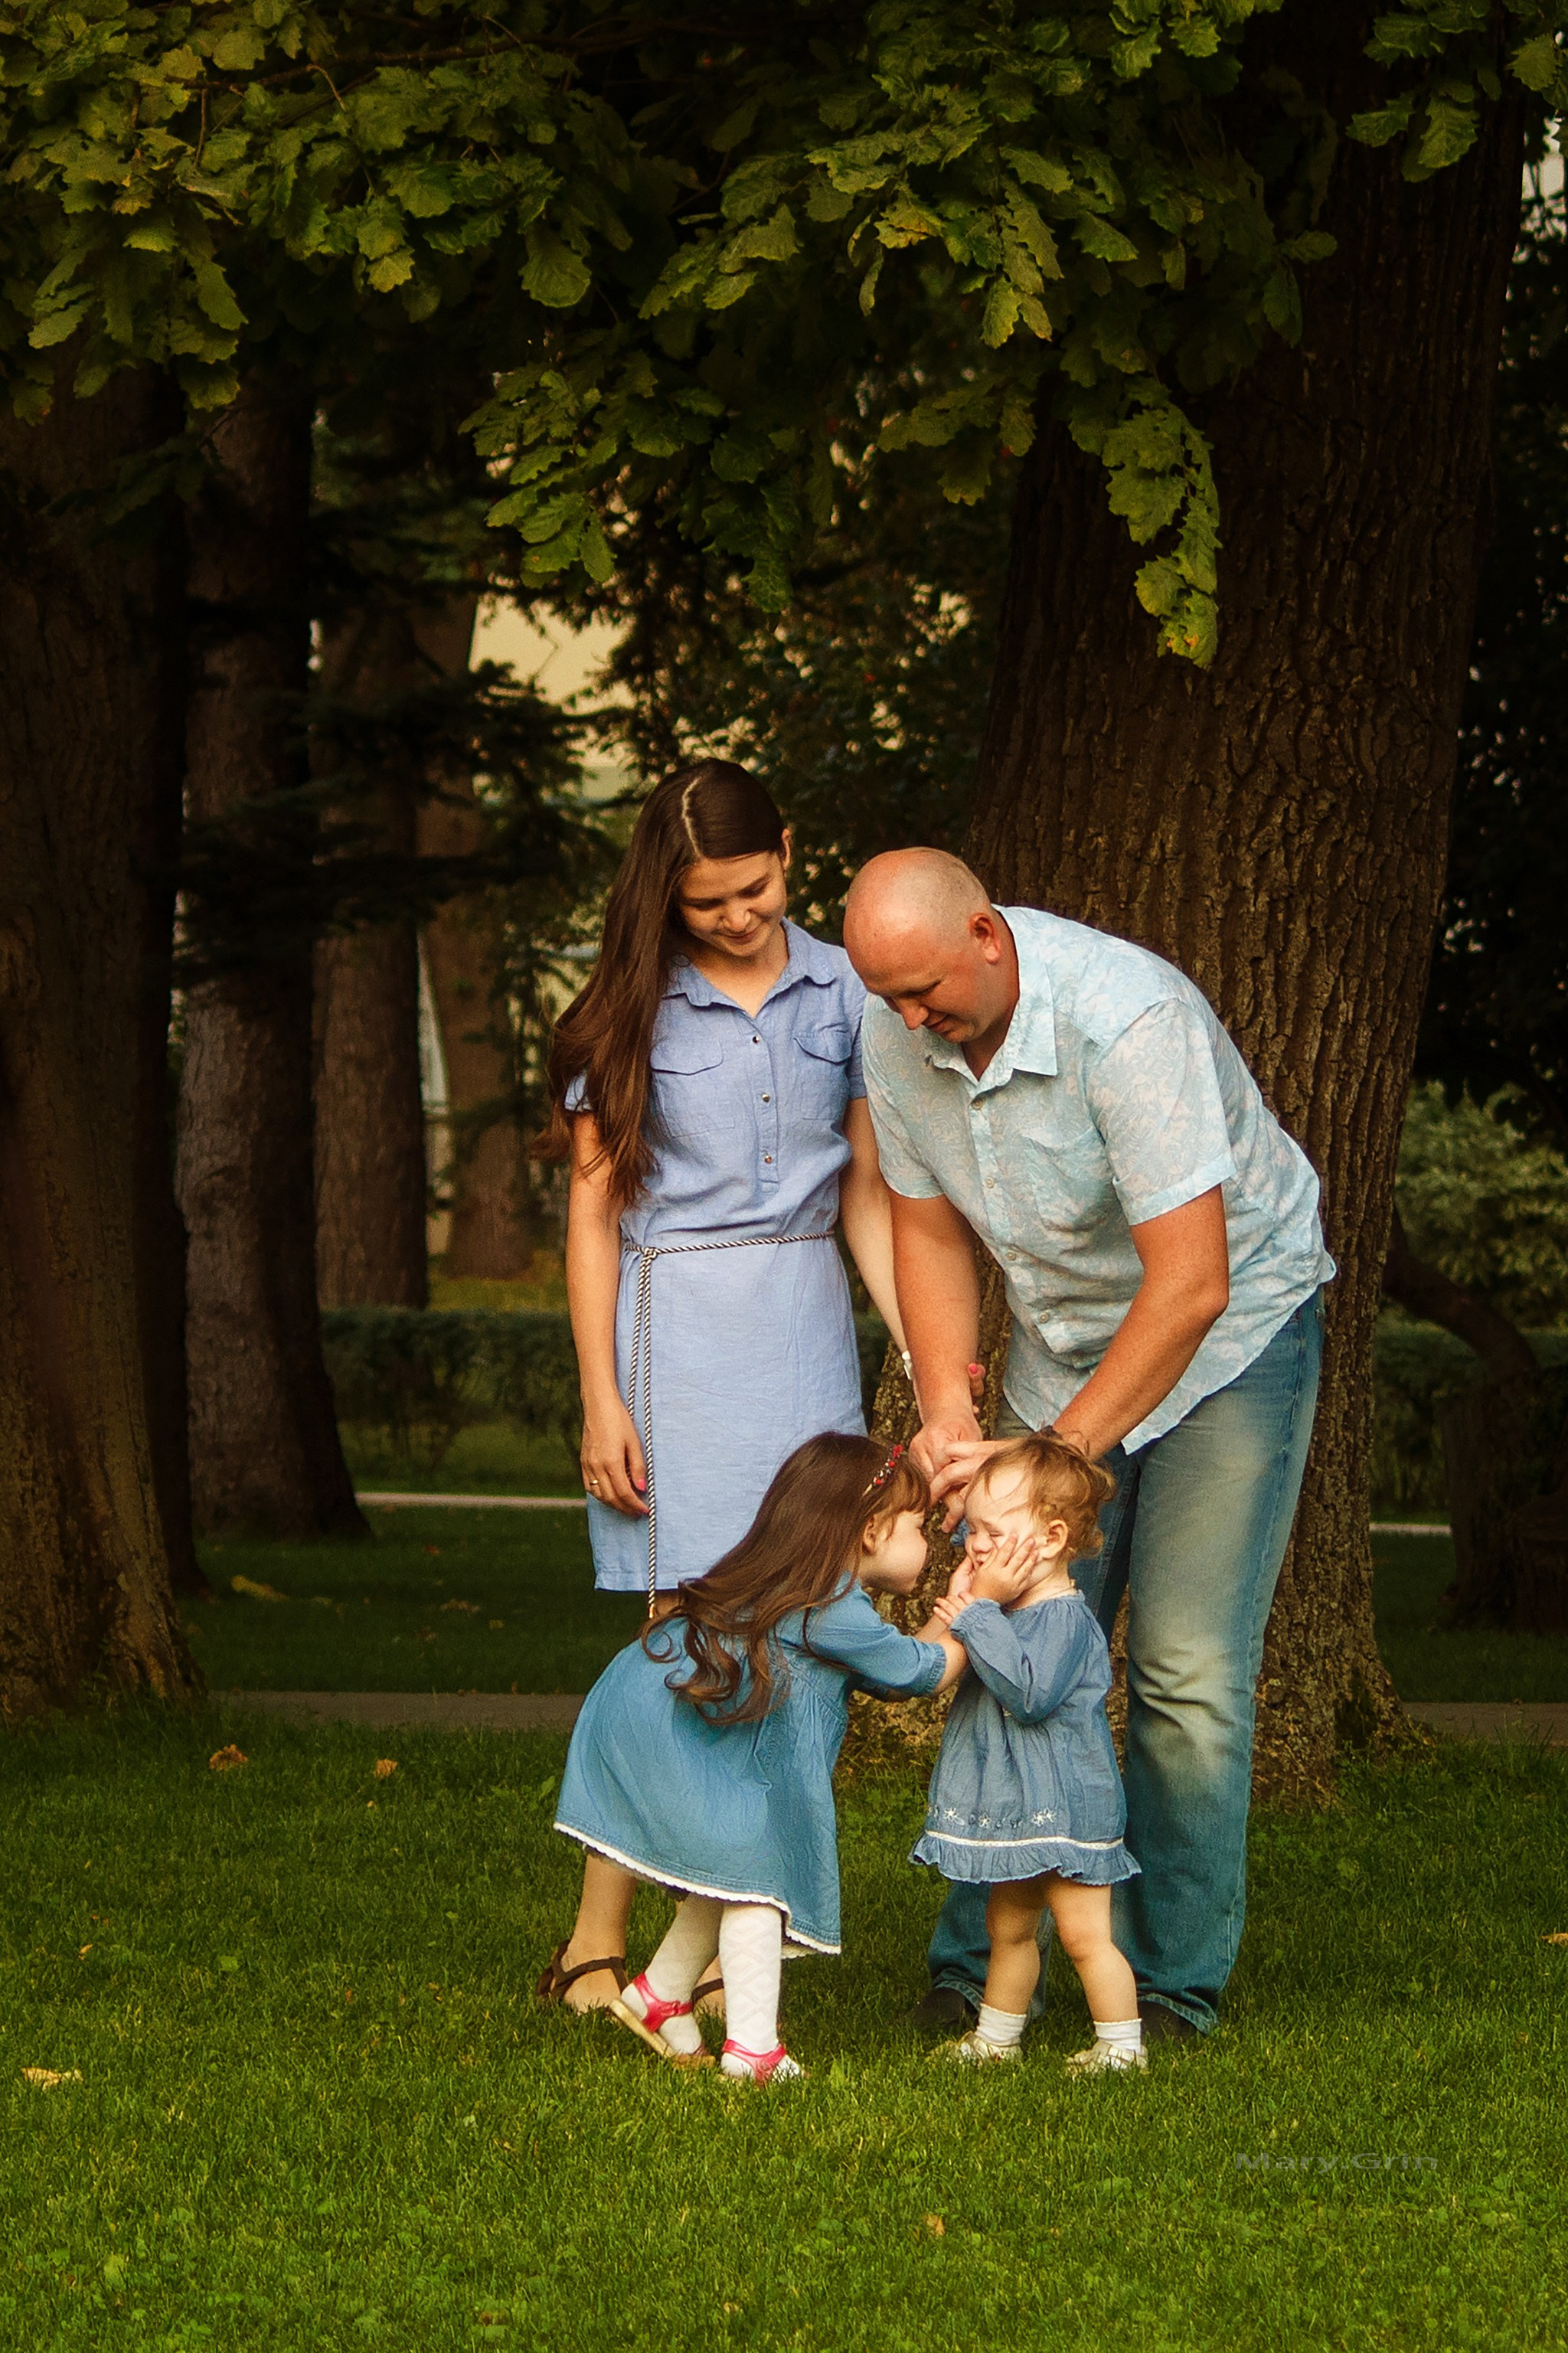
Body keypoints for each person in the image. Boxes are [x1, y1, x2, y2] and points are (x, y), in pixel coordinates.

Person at [842, 848, 1334, 2040]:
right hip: (1065, 1343)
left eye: (928, 994)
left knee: (1184, 1675)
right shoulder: (895, 1026)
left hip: (1229, 1343)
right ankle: (976, 1967)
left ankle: (1171, 1988)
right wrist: (951, 1410)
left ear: (987, 936)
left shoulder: (1131, 1020)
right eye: (890, 998)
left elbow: (1192, 1285)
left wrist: (1051, 1454)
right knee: (1006, 1626)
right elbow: (929, 1229)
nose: (911, 1020)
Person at [534, 762, 909, 2015]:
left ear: (790, 853)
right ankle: (593, 1939)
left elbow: (861, 1189)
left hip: (803, 1326)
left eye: (752, 891)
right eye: (706, 904)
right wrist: (602, 1397)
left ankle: (708, 1939)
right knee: (680, 1648)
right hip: (671, 1334)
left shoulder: (846, 987)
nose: (736, 917)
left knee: (800, 1634)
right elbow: (593, 1215)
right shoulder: (625, 1011)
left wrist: (908, 1338)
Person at [552, 1434, 967, 2080]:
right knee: (761, 1887)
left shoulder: (806, 1586)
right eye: (918, 1527)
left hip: (662, 1725)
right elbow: (918, 1673)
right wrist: (978, 1604)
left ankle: (659, 1998)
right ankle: (753, 2051)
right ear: (871, 1530)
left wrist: (952, 1617)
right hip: (678, 1742)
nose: (929, 1544)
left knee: (734, 1870)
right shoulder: (830, 1604)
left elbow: (893, 1672)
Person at [915, 1433, 1142, 2071]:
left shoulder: (1065, 1619)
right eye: (972, 1531)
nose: (973, 1543)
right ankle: (996, 2037)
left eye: (991, 1530)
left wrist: (979, 1612)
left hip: (1067, 1811)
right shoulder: (1002, 1613)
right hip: (1017, 1813)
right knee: (1007, 1931)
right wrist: (970, 1609)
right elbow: (935, 1667)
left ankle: (1121, 2046)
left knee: (1083, 1935)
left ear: (1049, 1540)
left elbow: (1028, 1693)